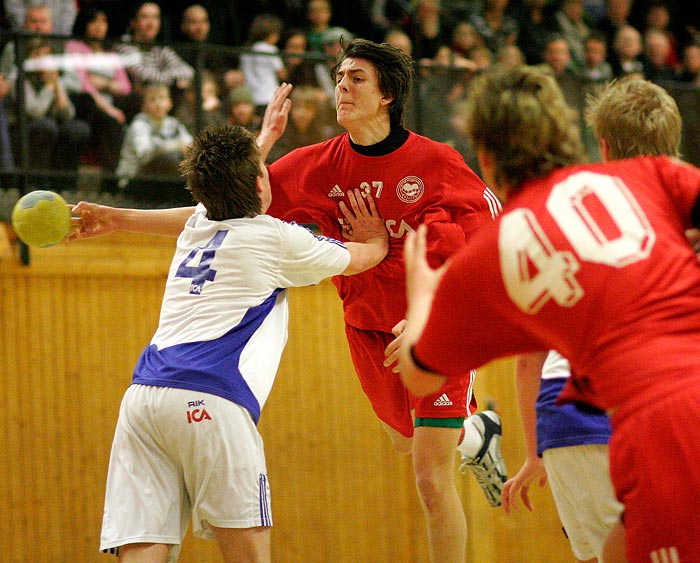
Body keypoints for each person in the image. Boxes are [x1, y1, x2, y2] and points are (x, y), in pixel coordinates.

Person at [72, 39, 507, 563]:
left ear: (388, 94)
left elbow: (490, 237)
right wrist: (121, 219)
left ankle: (464, 435)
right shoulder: (314, 166)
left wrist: (435, 316)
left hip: (433, 330)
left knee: (431, 478)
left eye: (357, 78)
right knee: (405, 441)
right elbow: (223, 210)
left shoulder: (436, 162)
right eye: (340, 76)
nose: (342, 85)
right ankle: (477, 434)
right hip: (367, 328)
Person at [397, 64, 700, 563]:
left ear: (486, 156)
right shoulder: (646, 175)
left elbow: (421, 372)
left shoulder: (489, 255)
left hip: (658, 424)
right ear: (568, 131)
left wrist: (426, 298)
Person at [86, 123, 389, 563]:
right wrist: (377, 237)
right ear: (259, 180)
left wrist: (261, 140)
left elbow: (227, 189)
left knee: (143, 550)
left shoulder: (197, 224)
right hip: (212, 400)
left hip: (142, 400)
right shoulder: (276, 237)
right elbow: (360, 258)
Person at [64, 7, 131, 174]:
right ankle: (110, 180)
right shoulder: (75, 47)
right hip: (85, 104)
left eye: (103, 21)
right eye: (94, 21)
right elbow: (83, 83)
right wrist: (109, 109)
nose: (99, 26)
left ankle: (113, 178)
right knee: (108, 120)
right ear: (84, 24)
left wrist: (104, 84)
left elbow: (125, 86)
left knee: (130, 104)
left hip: (108, 104)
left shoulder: (110, 53)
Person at [115, 82, 193, 203]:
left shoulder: (174, 123)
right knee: (170, 159)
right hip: (136, 179)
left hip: (164, 180)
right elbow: (145, 154)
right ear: (144, 106)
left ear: (169, 103)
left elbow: (190, 146)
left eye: (162, 98)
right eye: (152, 100)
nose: (158, 104)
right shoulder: (139, 124)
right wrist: (175, 146)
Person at [116, 2, 194, 121]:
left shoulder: (160, 49)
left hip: (161, 101)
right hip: (136, 108)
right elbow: (143, 75)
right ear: (133, 22)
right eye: (145, 17)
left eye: (155, 17)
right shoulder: (124, 45)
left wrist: (166, 79)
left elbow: (188, 71)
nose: (151, 23)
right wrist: (174, 81)